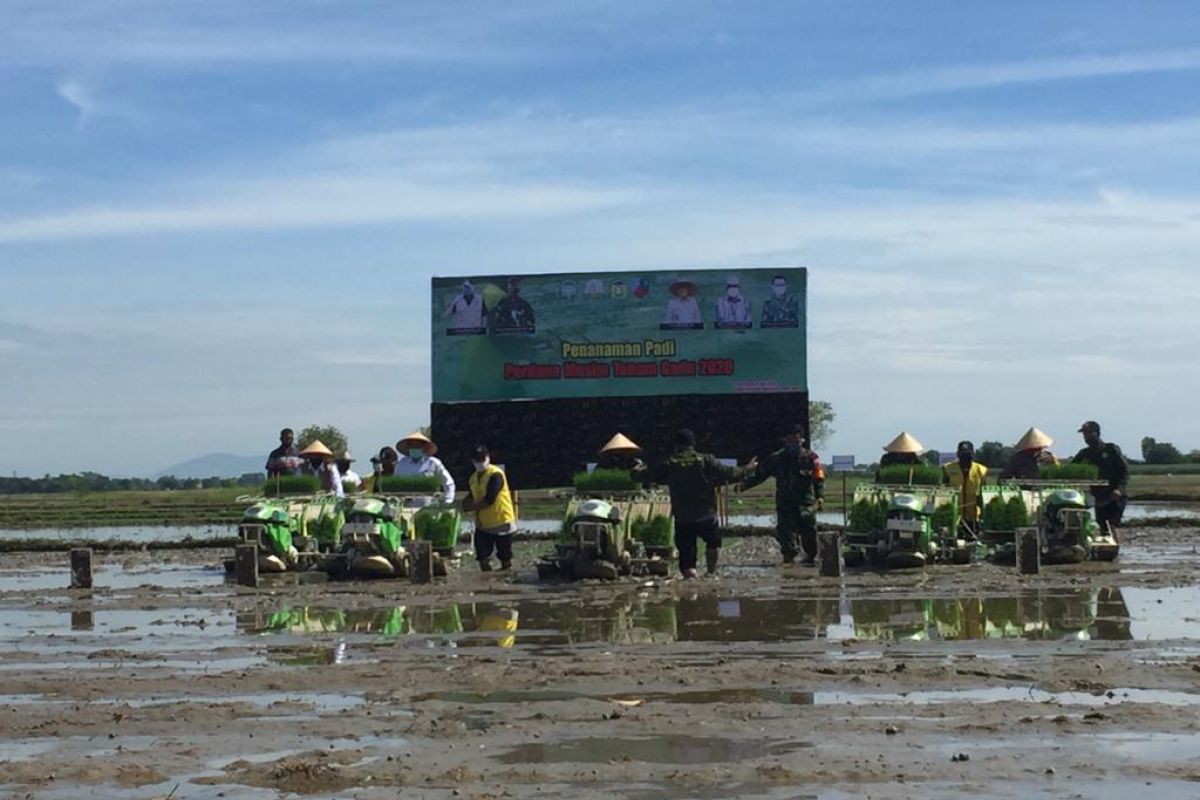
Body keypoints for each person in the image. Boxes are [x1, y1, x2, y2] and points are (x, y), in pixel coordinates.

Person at [634, 429, 755, 579]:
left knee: (687, 553)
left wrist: (636, 469)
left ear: (676, 445)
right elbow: (729, 473)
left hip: (683, 517)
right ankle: (711, 573)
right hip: (706, 513)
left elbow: (646, 476)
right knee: (713, 542)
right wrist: (747, 469)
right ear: (693, 444)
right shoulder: (705, 460)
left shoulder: (669, 462)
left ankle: (690, 579)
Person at [741, 423, 825, 565]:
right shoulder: (777, 458)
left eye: (796, 441)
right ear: (786, 440)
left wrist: (820, 496)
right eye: (790, 441)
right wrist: (745, 484)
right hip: (785, 503)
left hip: (806, 503)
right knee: (786, 534)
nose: (793, 444)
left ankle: (810, 559)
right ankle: (789, 560)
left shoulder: (811, 457)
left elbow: (819, 478)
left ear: (801, 440)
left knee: (809, 533)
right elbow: (761, 474)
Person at [462, 445, 517, 571]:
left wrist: (471, 507)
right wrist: (462, 504)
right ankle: (487, 580)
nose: (480, 462)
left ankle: (506, 577)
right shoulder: (473, 478)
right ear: (472, 461)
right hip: (483, 524)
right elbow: (472, 494)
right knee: (482, 556)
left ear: (488, 457)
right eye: (477, 460)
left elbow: (489, 499)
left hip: (501, 521)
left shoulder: (496, 474)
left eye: (482, 459)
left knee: (505, 556)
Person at [1071, 421, 1129, 533]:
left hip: (1115, 495)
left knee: (1112, 526)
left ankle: (1114, 548)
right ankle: (1104, 549)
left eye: (1088, 433)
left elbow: (1124, 470)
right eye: (1084, 434)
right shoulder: (1085, 453)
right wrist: (1053, 462)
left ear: (1096, 433)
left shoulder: (1111, 449)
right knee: (1102, 527)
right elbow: (1070, 468)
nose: (1086, 437)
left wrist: (1119, 489)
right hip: (1099, 496)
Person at [395, 430, 456, 504]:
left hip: (430, 508)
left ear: (424, 447)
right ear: (408, 448)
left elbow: (448, 483)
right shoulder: (401, 465)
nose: (415, 448)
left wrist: (448, 501)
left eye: (418, 445)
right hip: (406, 508)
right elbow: (396, 488)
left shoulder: (433, 463)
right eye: (412, 446)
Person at [942, 440, 987, 535]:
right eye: (963, 454)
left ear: (973, 454)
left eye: (968, 454)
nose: (965, 457)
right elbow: (943, 493)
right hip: (954, 517)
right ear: (958, 454)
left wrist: (983, 515)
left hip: (974, 517)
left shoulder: (981, 470)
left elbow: (985, 495)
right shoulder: (948, 469)